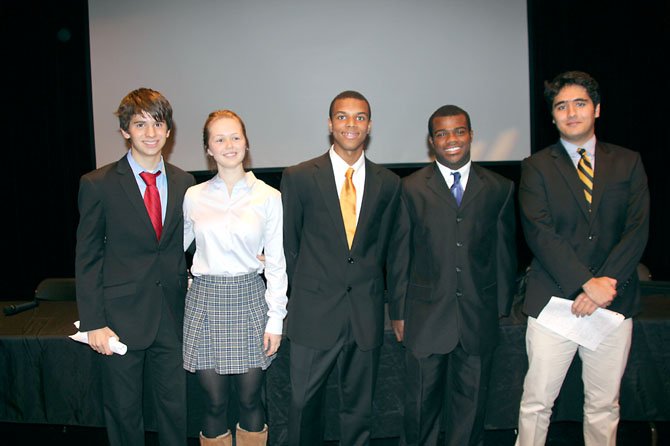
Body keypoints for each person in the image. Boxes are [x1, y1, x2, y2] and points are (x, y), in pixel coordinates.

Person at [515, 71, 650, 445]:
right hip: (553, 302)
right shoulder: (536, 166)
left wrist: (604, 285)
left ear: (597, 109)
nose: (571, 112)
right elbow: (539, 232)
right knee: (537, 403)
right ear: (553, 116)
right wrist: (585, 282)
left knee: (604, 406)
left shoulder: (628, 162)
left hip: (613, 301)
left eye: (580, 103)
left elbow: (637, 230)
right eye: (561, 106)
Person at [389, 105, 517, 445]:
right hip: (425, 318)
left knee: (471, 409)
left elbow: (504, 254)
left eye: (459, 131)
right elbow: (400, 255)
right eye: (442, 134)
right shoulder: (411, 188)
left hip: (478, 317)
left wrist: (501, 307)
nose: (452, 140)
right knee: (419, 409)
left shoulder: (499, 188)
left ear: (471, 135)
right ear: (431, 142)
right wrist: (398, 313)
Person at [280, 90, 403, 445]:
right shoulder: (300, 176)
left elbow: (392, 250)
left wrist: (394, 307)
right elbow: (289, 247)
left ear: (370, 125)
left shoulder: (388, 183)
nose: (351, 124)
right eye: (343, 116)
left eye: (360, 117)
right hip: (313, 313)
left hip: (364, 314)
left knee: (359, 412)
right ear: (330, 123)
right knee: (303, 407)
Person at [75, 87, 195, 446]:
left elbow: (185, 245)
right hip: (119, 319)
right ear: (125, 130)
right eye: (140, 124)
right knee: (124, 412)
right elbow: (88, 257)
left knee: (175, 410)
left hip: (172, 317)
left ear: (168, 130)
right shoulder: (97, 185)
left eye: (158, 124)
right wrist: (94, 322)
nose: (150, 133)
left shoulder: (184, 182)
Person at [183, 110, 288, 446]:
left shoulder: (269, 197)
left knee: (250, 401)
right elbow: (170, 249)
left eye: (235, 137)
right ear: (208, 149)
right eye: (219, 138)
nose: (229, 145)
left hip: (250, 299)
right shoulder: (193, 196)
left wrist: (276, 320)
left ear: (246, 143)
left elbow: (276, 263)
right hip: (205, 300)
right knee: (214, 403)